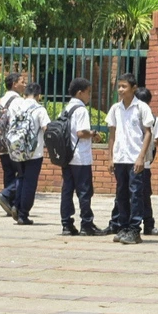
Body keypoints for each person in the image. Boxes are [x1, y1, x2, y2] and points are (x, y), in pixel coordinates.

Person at [105, 73, 155, 245]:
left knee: (135, 194)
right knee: (121, 194)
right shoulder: (115, 109)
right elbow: (112, 134)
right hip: (120, 157)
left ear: (133, 88)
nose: (120, 89)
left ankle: (135, 229)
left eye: (124, 86)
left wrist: (141, 157)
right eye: (119, 86)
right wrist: (110, 157)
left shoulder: (141, 108)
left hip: (135, 158)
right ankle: (123, 227)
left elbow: (148, 133)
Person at [60, 77, 100, 237]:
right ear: (80, 92)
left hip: (67, 156)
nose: (89, 96)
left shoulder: (66, 109)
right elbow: (81, 133)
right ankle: (86, 224)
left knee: (67, 190)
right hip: (80, 157)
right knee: (84, 191)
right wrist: (94, 133)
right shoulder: (81, 110)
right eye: (88, 92)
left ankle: (67, 224)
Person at [8, 83, 50, 226]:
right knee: (30, 183)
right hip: (34, 152)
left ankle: (16, 205)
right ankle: (23, 214)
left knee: (20, 178)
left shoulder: (16, 106)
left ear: (25, 93)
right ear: (38, 95)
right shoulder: (40, 109)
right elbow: (46, 129)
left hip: (16, 149)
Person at [0, 71, 25, 216]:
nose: (25, 84)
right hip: (14, 142)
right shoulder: (19, 101)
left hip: (1, 142)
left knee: (8, 173)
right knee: (23, 174)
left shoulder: (0, 101)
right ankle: (9, 198)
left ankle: (8, 204)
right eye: (22, 81)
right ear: (14, 84)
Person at [134, 87, 158, 237]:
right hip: (138, 163)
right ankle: (146, 224)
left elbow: (156, 139)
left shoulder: (151, 118)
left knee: (140, 195)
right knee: (141, 195)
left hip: (140, 163)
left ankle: (146, 224)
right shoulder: (153, 118)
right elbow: (157, 141)